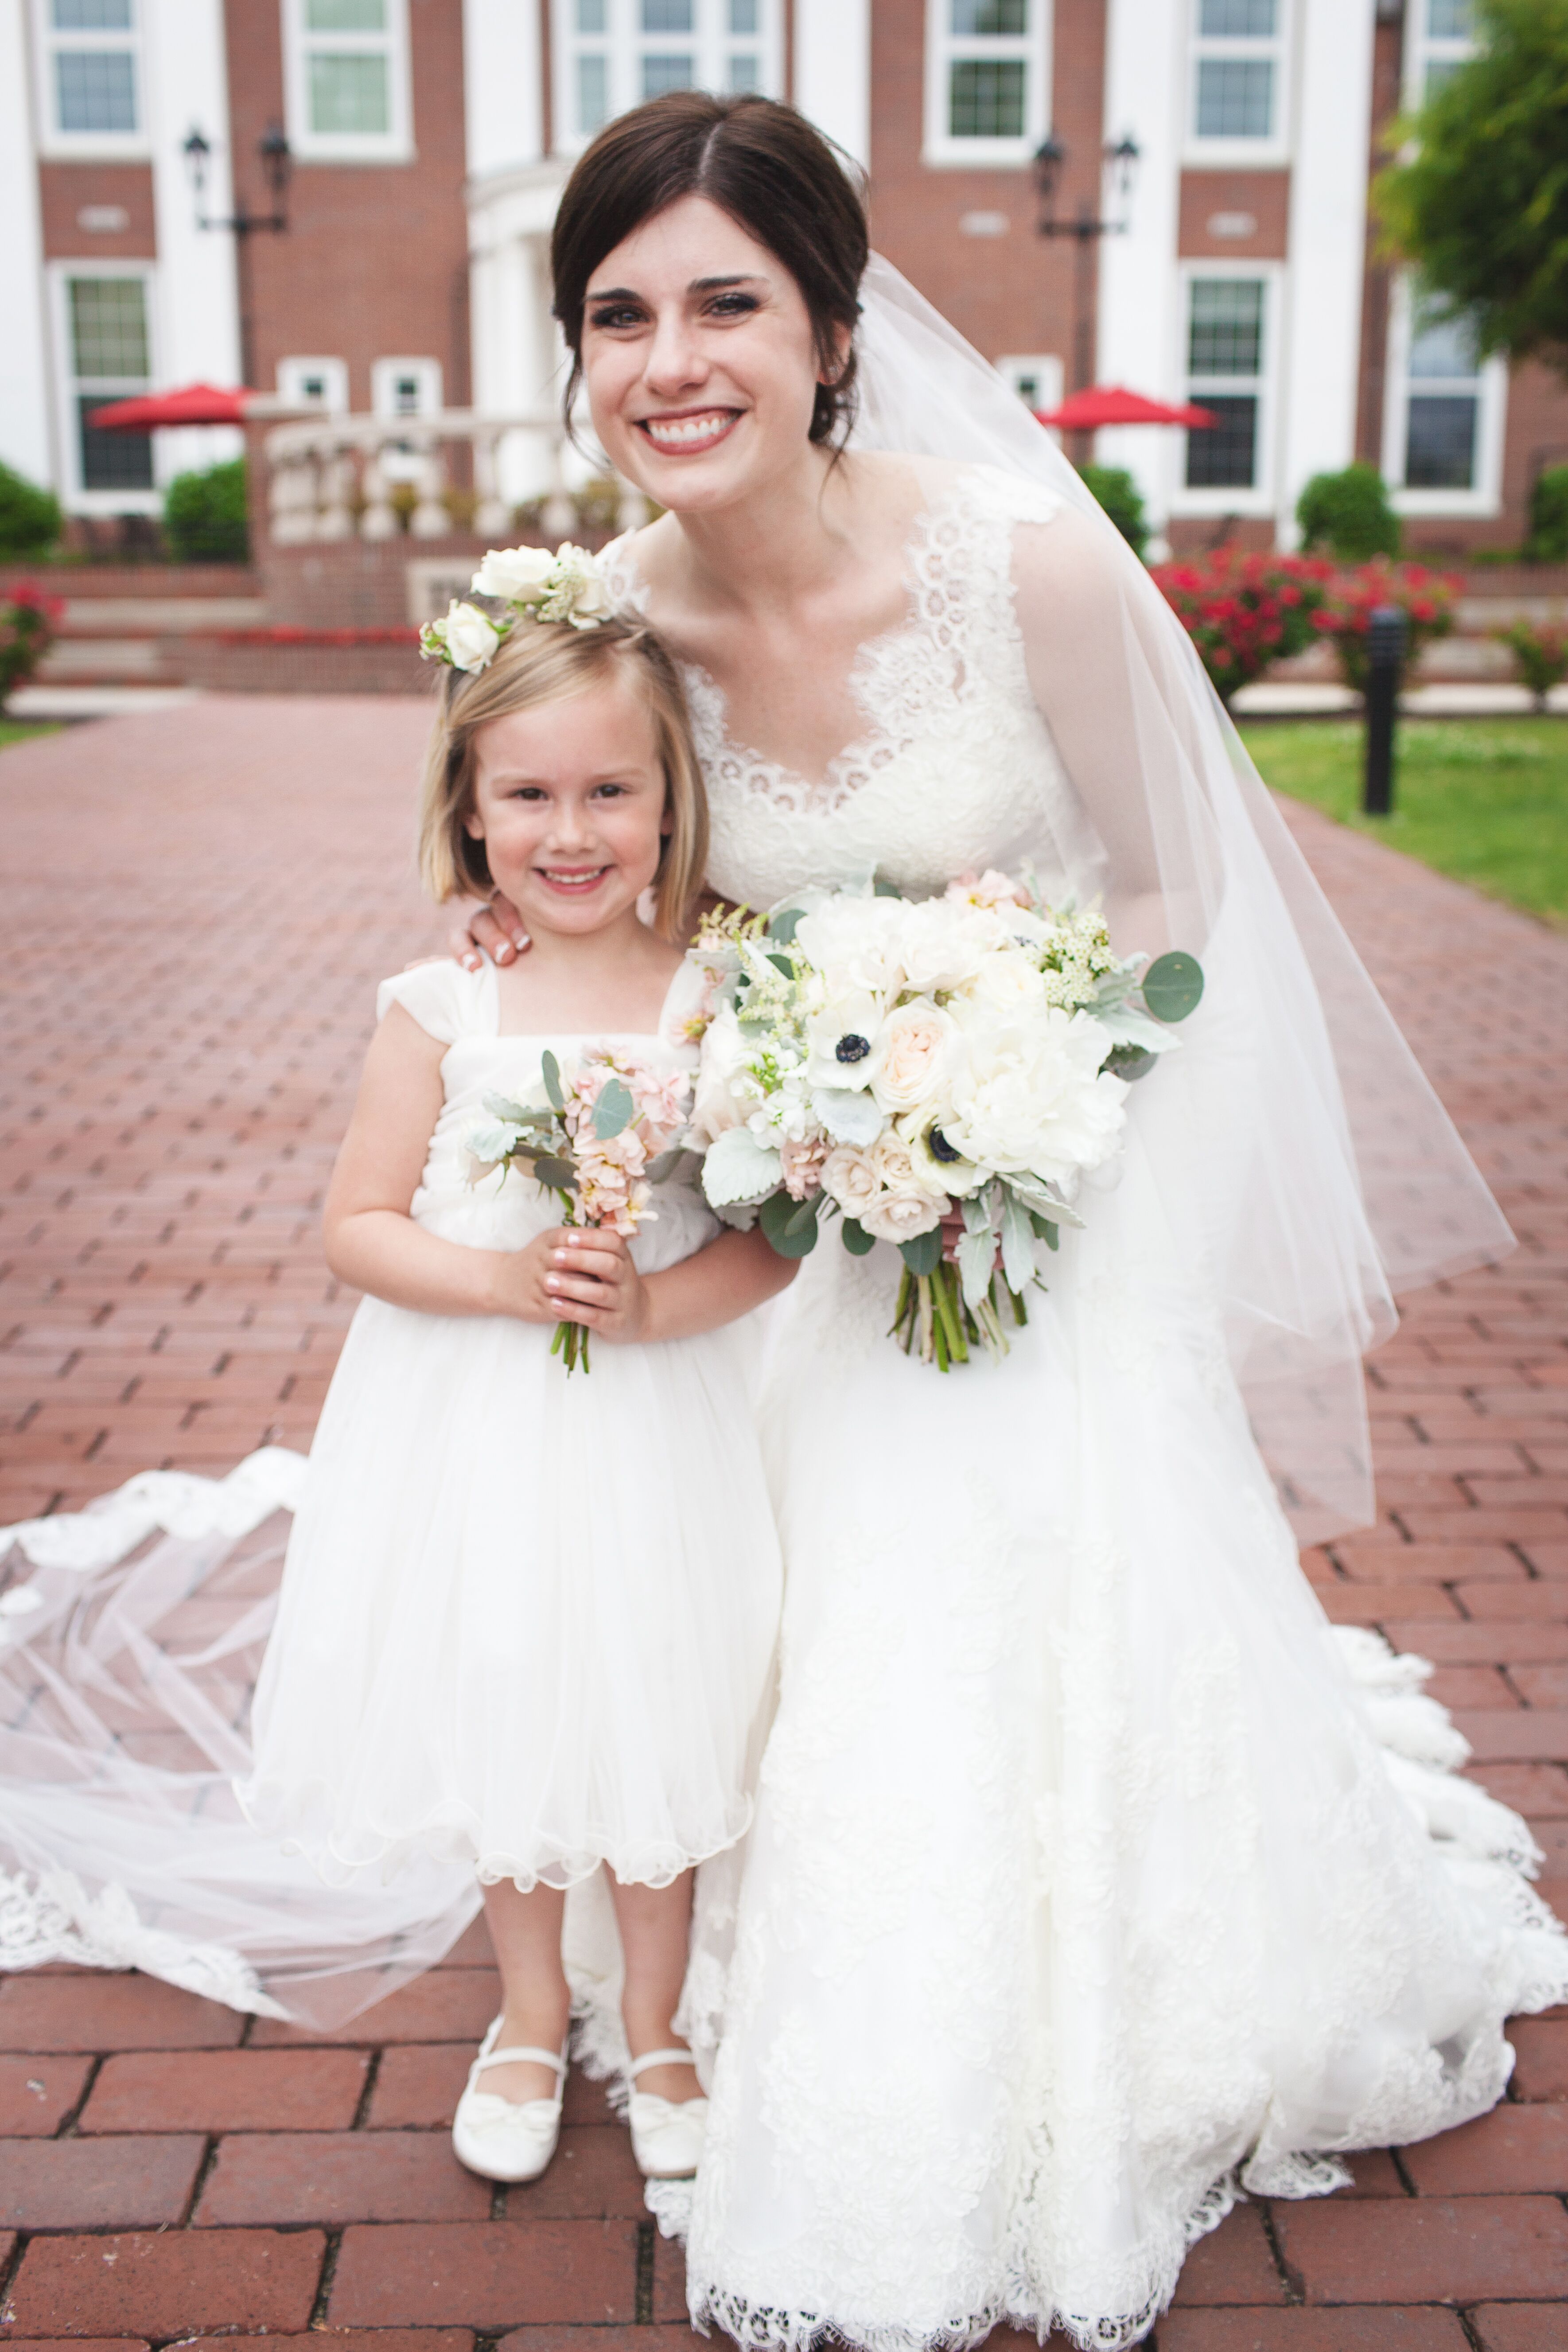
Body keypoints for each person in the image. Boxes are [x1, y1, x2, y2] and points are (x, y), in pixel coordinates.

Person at [449, 91, 1568, 2351]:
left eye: (724, 304)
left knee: (976, 1528)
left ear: (835, 327)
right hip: (789, 1212)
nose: (670, 358)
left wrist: (1008, 1131)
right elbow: (586, 881)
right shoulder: (610, 625)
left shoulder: (1025, 564)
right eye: (617, 314)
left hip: (1051, 1180)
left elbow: (1175, 901)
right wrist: (547, 969)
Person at [237, 598, 789, 2185]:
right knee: (516, 1684)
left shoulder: (717, 999)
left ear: (672, 798)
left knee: (671, 1683)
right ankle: (534, 2013)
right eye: (528, 795)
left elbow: (772, 1243)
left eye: (610, 790)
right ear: (468, 807)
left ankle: (661, 2019)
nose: (570, 830)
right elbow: (356, 1224)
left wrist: (649, 1303)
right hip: (477, 1420)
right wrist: (502, 1278)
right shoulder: (440, 1007)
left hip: (664, 1413)